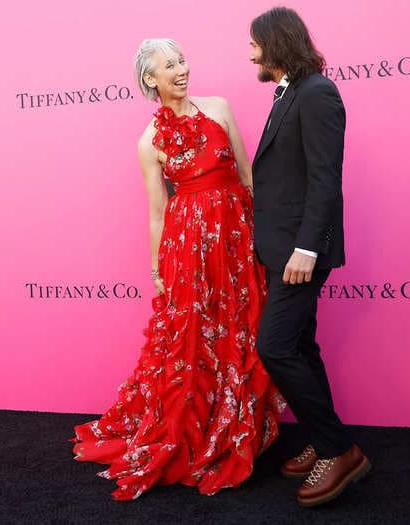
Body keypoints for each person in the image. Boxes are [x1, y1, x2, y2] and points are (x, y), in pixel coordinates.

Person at [72, 38, 285, 501]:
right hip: (188, 249)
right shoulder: (149, 141)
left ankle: (242, 422)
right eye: (169, 66)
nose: (182, 70)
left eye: (183, 60)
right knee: (193, 339)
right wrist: (156, 268)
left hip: (236, 237)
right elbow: (157, 210)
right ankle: (197, 429)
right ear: (151, 78)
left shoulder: (220, 108)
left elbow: (248, 177)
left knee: (241, 330)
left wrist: (263, 239)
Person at [248, 7, 371, 507]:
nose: (251, 52)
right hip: (282, 247)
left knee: (275, 347)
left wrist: (305, 246)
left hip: (300, 250)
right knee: (301, 346)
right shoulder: (289, 93)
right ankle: (325, 440)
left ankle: (340, 450)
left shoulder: (317, 93)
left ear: (277, 44)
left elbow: (326, 179)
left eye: (255, 43)